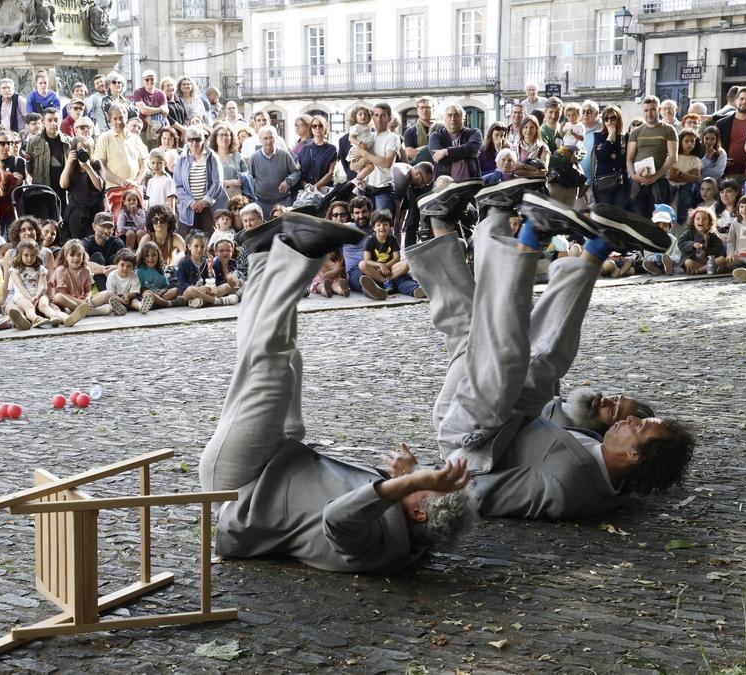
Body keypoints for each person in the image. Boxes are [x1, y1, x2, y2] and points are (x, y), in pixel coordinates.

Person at [198, 213, 475, 572]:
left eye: (429, 483)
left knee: (270, 366)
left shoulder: (379, 549)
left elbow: (338, 518)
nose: (428, 474)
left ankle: (298, 253)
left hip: (240, 487)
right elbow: (373, 499)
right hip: (282, 459)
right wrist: (408, 475)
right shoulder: (401, 525)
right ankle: (263, 256)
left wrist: (409, 481)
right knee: (284, 361)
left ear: (419, 512)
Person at [411, 191, 693, 519]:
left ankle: (513, 224)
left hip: (471, 440)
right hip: (514, 419)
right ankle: (597, 247)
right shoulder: (606, 461)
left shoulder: (567, 488)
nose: (628, 419)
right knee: (544, 359)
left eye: (639, 426)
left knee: (504, 351)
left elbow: (480, 495)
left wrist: (424, 484)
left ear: (635, 456)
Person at [625, 96, 678, 218]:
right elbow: (629, 158)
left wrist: (655, 176)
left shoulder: (669, 130)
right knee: (638, 219)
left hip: (659, 182)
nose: (649, 113)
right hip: (638, 182)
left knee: (658, 220)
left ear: (659, 110)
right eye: (646, 110)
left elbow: (673, 157)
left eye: (653, 109)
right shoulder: (636, 132)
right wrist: (633, 176)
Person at [94, 103, 148, 221]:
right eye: (115, 118)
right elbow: (101, 167)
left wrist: (136, 182)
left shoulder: (136, 138)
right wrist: (121, 182)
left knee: (138, 226)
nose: (119, 121)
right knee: (118, 227)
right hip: (115, 190)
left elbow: (144, 165)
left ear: (127, 117)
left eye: (121, 118)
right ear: (110, 120)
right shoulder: (104, 138)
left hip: (134, 190)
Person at [175, 129, 227, 238]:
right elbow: (178, 186)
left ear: (203, 140)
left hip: (207, 208)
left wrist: (205, 201)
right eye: (190, 140)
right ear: (186, 141)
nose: (194, 143)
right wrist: (190, 202)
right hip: (189, 208)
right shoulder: (181, 159)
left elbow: (217, 182)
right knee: (189, 242)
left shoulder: (212, 157)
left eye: (198, 139)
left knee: (209, 241)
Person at [50, 238, 114, 324]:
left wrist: (88, 298)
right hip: (70, 300)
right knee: (58, 297)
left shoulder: (86, 269)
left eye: (79, 255)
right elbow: (63, 293)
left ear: (83, 256)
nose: (76, 258)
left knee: (109, 293)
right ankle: (94, 311)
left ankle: (80, 311)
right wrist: (81, 302)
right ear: (65, 256)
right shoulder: (61, 270)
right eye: (72, 255)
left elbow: (93, 289)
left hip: (85, 300)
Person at [4, 239, 56, 329]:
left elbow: (42, 285)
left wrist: (37, 296)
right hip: (22, 296)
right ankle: (35, 319)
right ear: (20, 255)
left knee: (44, 304)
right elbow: (20, 286)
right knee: (29, 307)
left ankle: (54, 317)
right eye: (26, 255)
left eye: (32, 255)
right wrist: (29, 298)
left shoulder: (40, 268)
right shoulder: (15, 269)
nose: (29, 258)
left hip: (37, 295)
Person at [247, 126, 299, 216]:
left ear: (276, 138)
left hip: (283, 202)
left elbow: (296, 172)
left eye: (271, 137)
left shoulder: (285, 155)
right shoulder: (254, 157)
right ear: (260, 140)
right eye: (265, 138)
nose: (268, 141)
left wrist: (288, 181)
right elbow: (249, 178)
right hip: (261, 202)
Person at [426, 105, 482, 181]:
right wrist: (468, 154)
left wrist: (446, 151)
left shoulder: (474, 133)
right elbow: (442, 160)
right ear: (444, 118)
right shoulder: (435, 136)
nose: (453, 119)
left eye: (456, 115)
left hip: (471, 183)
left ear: (463, 118)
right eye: (449, 115)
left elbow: (472, 148)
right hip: (444, 185)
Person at [714, 87, 746, 184]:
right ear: (736, 100)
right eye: (741, 99)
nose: (744, 102)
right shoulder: (722, 124)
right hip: (726, 173)